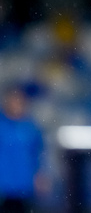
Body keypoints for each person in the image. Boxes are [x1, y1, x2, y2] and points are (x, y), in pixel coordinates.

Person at [0, 84, 45, 213]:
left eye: (20, 101)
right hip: (4, 185)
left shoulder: (31, 127)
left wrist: (40, 175)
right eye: (15, 101)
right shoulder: (2, 125)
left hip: (25, 185)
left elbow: (38, 153)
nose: (18, 104)